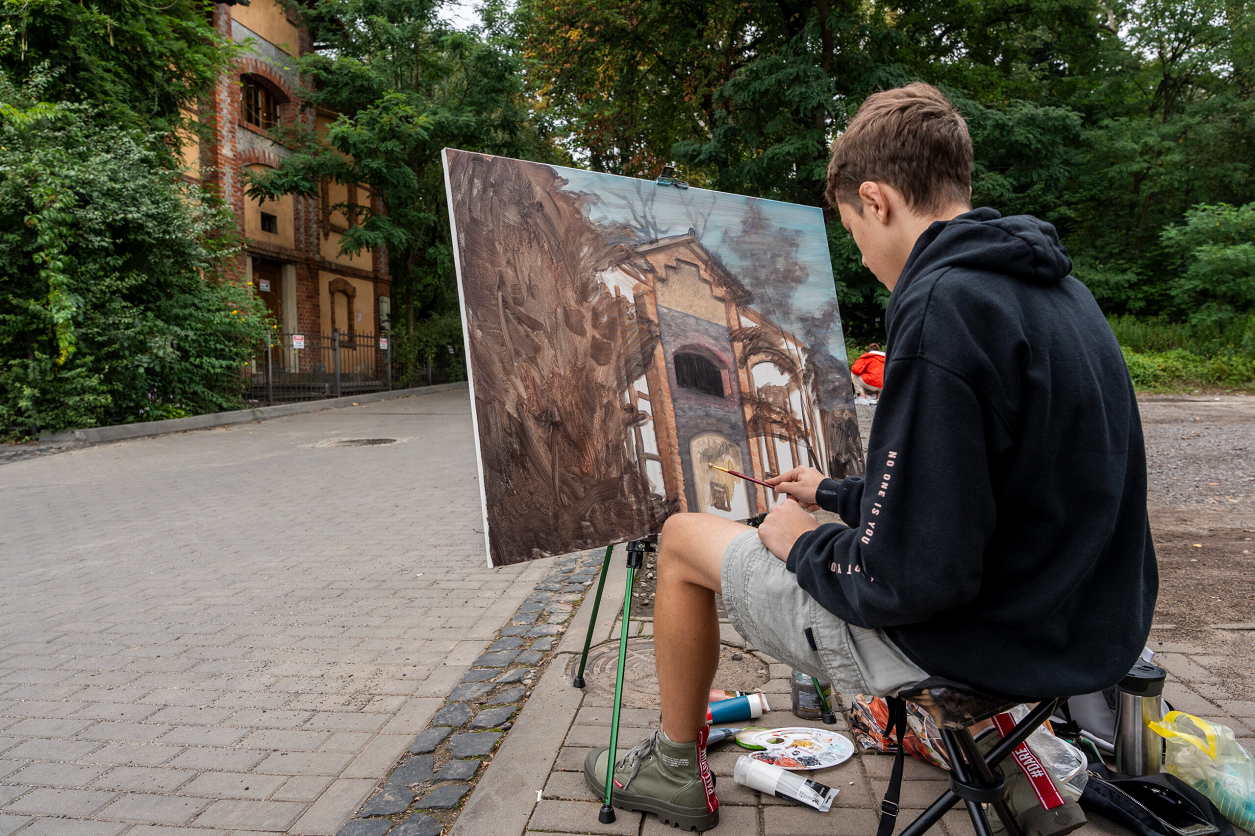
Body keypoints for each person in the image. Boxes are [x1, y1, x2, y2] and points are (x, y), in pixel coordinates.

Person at [583, 82, 1157, 833]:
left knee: (682, 538)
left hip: (975, 640)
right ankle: (1013, 777)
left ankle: (669, 768)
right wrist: (834, 493)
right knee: (793, 530)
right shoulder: (1057, 293)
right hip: (1079, 626)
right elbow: (984, 490)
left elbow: (909, 578)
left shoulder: (940, 305)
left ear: (876, 198)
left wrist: (804, 546)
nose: (859, 254)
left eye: (852, 230)